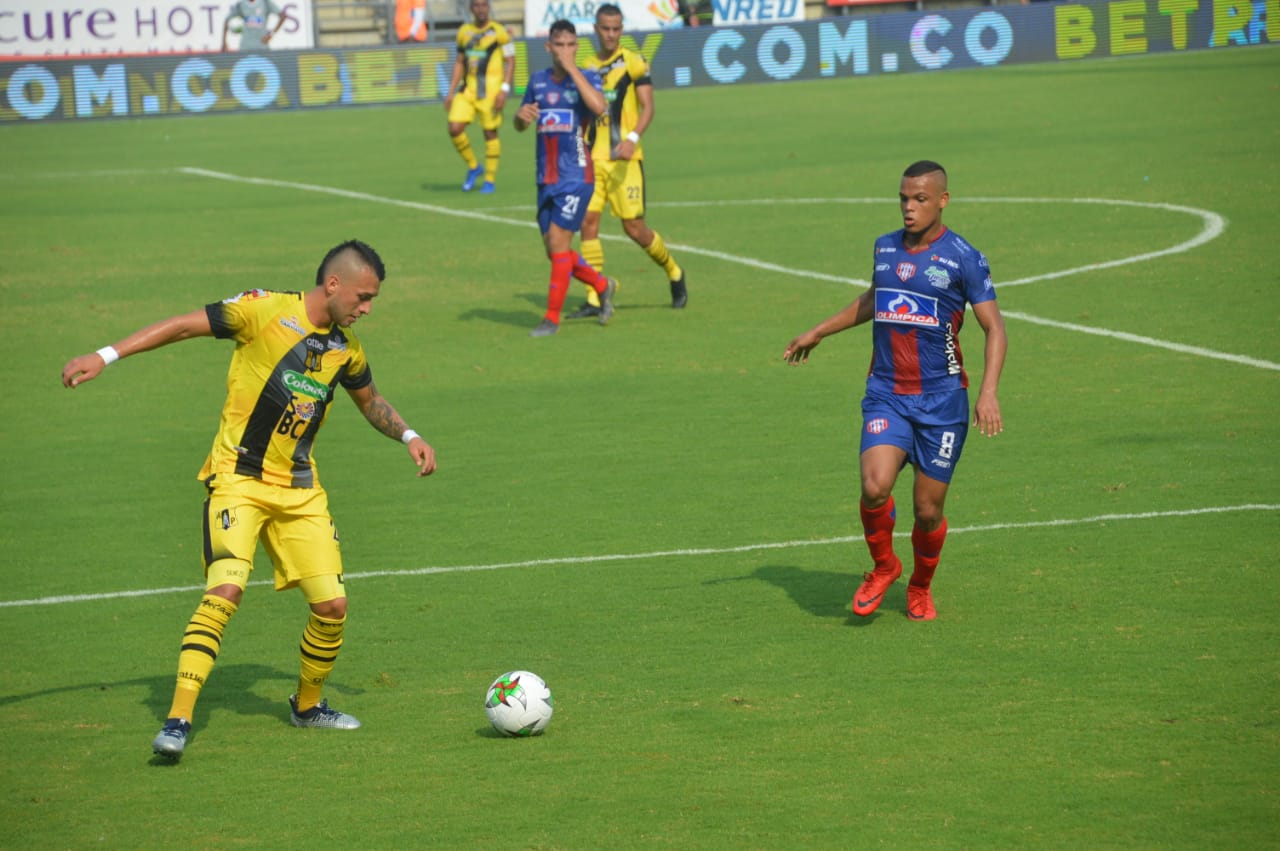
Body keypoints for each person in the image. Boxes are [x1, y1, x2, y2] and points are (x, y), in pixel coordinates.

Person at [60, 240, 438, 760]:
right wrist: (105, 355)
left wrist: (409, 435)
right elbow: (182, 325)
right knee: (226, 592)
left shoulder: (346, 348)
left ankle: (307, 708)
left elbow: (371, 402)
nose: (367, 308)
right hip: (237, 479)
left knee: (332, 606)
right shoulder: (264, 310)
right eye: (364, 296)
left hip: (300, 491)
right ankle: (178, 718)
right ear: (334, 284)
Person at [783, 161, 1007, 622]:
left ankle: (920, 586)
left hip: (943, 402)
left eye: (920, 199)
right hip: (887, 393)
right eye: (904, 198)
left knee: (927, 511)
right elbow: (875, 298)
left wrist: (988, 392)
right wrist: (819, 331)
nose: (909, 207)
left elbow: (994, 328)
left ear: (942, 201)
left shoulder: (964, 257)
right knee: (874, 485)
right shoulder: (885, 247)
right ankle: (884, 567)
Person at [566, 4, 687, 321]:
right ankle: (595, 296)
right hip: (595, 161)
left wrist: (631, 139)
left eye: (616, 28)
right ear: (596, 29)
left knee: (634, 229)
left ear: (622, 29)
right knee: (587, 224)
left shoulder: (634, 61)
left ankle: (674, 271)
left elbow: (648, 107)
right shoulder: (587, 66)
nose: (611, 34)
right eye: (605, 28)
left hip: (626, 160)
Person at [513, 19, 618, 337]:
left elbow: (600, 109)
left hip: (576, 175)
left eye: (571, 45)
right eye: (559, 45)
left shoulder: (587, 77)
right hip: (545, 177)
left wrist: (573, 70)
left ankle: (551, 319)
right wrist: (520, 119)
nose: (565, 50)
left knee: (559, 244)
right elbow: (521, 123)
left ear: (577, 47)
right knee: (554, 251)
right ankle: (603, 285)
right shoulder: (538, 81)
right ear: (549, 47)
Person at [444, 0, 516, 194]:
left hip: (490, 93)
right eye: (477, 5)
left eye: (484, 5)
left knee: (489, 133)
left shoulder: (500, 32)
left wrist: (504, 89)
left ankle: (490, 180)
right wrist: (450, 91)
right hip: (467, 90)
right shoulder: (463, 32)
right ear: (471, 9)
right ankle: (474, 167)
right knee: (454, 127)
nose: (481, 9)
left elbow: (511, 61)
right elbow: (459, 62)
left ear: (489, 7)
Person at [222, 0, 294, 52]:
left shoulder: (265, 3)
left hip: (262, 46)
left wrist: (272, 34)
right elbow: (227, 20)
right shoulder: (241, 5)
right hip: (245, 47)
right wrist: (224, 42)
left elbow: (283, 16)